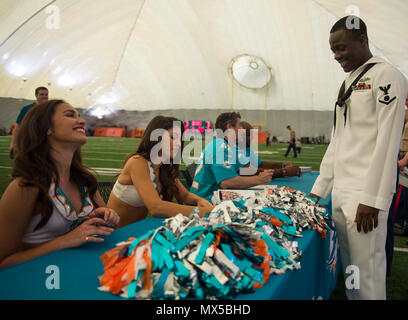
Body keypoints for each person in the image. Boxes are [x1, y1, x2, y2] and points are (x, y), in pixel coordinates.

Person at [309, 16, 408, 300]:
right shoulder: (348, 81)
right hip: (341, 193)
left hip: (365, 196)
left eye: (342, 48)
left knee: (368, 276)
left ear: (362, 40)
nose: (337, 56)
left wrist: (374, 199)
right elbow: (338, 140)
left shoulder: (387, 76)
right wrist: (319, 191)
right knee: (351, 271)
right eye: (333, 51)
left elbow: (389, 142)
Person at [0, 100, 120, 269]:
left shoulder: (83, 179)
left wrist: (106, 218)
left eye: (79, 115)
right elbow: (3, 262)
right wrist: (66, 240)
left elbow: (107, 226)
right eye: (70, 115)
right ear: (46, 127)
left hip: (71, 272)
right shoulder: (26, 186)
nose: (82, 121)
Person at [107, 116, 213, 228]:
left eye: (180, 139)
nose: (179, 144)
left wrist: (200, 200)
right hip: (113, 235)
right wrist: (203, 212)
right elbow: (155, 207)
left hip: (136, 232)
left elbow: (184, 195)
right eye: (173, 137)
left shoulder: (163, 167)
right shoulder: (137, 162)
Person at [190, 112, 282, 202]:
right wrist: (259, 179)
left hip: (210, 194)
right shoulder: (221, 147)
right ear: (229, 127)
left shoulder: (226, 145)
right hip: (205, 198)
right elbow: (227, 182)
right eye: (239, 127)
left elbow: (246, 170)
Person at [9, 86, 49, 158]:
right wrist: (13, 144)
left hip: (46, 142)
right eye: (42, 94)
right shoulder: (26, 109)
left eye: (46, 94)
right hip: (29, 142)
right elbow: (18, 127)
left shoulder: (51, 109)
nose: (44, 96)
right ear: (36, 95)